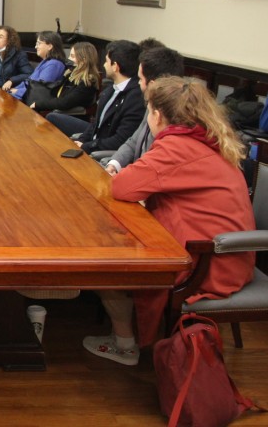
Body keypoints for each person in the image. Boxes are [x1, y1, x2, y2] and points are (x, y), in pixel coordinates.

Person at [83, 77, 255, 365]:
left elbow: (122, 187)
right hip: (230, 254)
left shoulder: (178, 147)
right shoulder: (206, 138)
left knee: (106, 262)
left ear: (157, 115)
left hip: (208, 263)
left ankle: (125, 343)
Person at [46, 40, 144, 154]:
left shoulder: (135, 98)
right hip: (93, 141)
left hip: (101, 151)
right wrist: (81, 141)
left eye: (106, 61)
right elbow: (95, 124)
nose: (104, 64)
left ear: (115, 66)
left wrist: (86, 146)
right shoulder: (110, 89)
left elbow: (120, 140)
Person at [105, 46, 185, 175]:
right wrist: (114, 164)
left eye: (140, 79)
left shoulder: (177, 121)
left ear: (153, 85)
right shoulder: (151, 105)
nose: (138, 83)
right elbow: (133, 141)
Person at [29, 41, 101, 113]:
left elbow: (65, 102)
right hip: (58, 110)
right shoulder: (71, 73)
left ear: (83, 60)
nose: (69, 58)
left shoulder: (87, 82)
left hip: (69, 116)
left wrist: (39, 104)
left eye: (72, 56)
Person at [10, 30, 66, 101]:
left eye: (39, 43)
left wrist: (17, 91)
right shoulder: (46, 62)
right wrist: (13, 90)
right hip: (25, 97)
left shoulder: (54, 65)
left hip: (33, 102)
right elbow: (28, 81)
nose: (36, 47)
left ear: (50, 46)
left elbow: (39, 89)